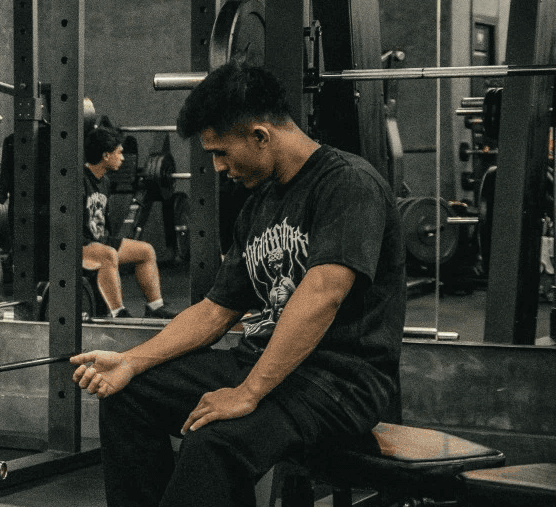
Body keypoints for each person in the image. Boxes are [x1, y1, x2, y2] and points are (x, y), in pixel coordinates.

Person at [69, 63, 404, 507]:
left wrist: (247, 393)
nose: (218, 167)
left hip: (339, 381)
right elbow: (213, 312)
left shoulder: (348, 184)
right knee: (128, 397)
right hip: (265, 365)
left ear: (261, 136)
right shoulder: (259, 206)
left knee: (215, 439)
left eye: (222, 152)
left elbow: (323, 295)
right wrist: (131, 361)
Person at [82, 126, 179, 319]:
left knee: (146, 251)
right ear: (106, 155)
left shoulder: (105, 181)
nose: (123, 158)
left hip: (100, 239)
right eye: (119, 153)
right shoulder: (79, 180)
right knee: (108, 254)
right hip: (79, 244)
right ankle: (120, 314)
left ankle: (155, 307)